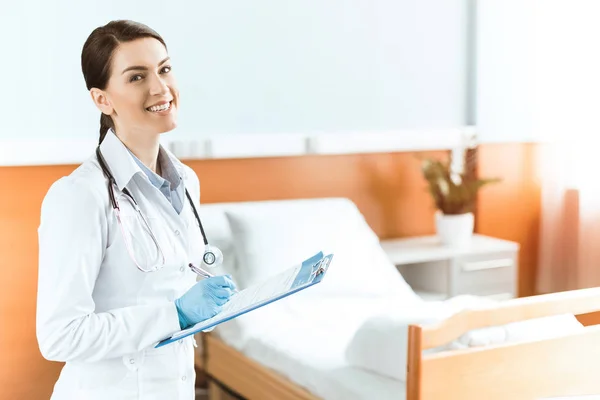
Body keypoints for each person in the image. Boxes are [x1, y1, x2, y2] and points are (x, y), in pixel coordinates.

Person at [36, 20, 236, 399]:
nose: (160, 88)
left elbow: (159, 284)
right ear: (102, 99)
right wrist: (174, 314)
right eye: (136, 77)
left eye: (164, 69)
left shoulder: (186, 181)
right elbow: (59, 336)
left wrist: (208, 304)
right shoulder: (79, 196)